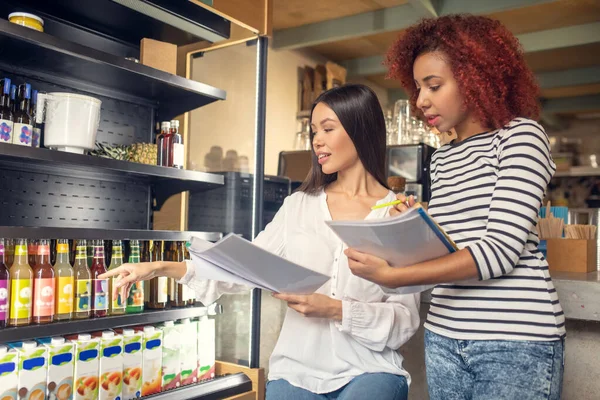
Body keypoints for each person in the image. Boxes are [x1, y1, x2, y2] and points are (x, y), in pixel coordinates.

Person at [101, 84, 419, 400]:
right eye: (313, 131)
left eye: (328, 128)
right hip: (296, 371)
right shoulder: (299, 206)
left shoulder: (396, 214)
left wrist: (337, 310)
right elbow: (246, 266)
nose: (317, 140)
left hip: (370, 369)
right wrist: (159, 267)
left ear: (360, 130)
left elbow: (405, 320)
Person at [345, 15, 565, 400]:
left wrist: (397, 277)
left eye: (434, 85)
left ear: (475, 77)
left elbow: (498, 253)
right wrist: (413, 228)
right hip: (444, 333)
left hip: (512, 341)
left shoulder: (521, 137)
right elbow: (451, 245)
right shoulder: (443, 158)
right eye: (417, 88)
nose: (421, 100)